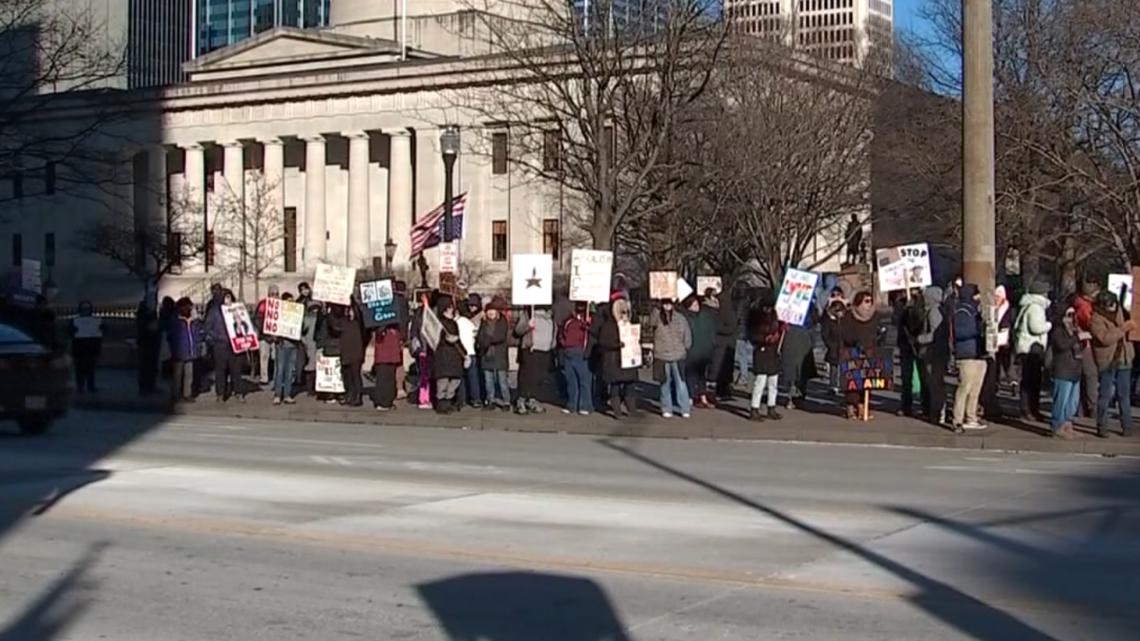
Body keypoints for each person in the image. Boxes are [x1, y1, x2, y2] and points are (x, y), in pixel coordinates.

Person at [1090, 291, 1135, 438]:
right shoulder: (1095, 318)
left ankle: (1127, 427)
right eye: (1110, 305)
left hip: (1124, 358)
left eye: (1114, 304)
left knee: (1124, 395)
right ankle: (1102, 427)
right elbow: (1105, 338)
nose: (1113, 307)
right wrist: (1123, 329)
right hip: (1108, 361)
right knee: (1105, 395)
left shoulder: (1120, 310)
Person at [951, 283, 988, 433]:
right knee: (964, 388)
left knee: (975, 389)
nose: (979, 297)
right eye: (977, 294)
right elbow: (960, 332)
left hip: (978, 352)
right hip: (967, 354)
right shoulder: (962, 310)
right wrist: (977, 329)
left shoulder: (975, 310)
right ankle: (957, 419)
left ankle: (971, 417)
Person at [1014, 282, 1052, 421]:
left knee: (1029, 381)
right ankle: (1028, 410)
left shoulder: (1029, 306)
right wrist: (1049, 325)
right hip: (1032, 349)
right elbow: (1036, 328)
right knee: (1032, 382)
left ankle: (1029, 409)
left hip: (1027, 348)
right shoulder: (1036, 308)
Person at [597, 295, 640, 418]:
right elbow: (604, 341)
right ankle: (617, 411)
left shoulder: (630, 323)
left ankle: (631, 409)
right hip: (614, 360)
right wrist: (617, 344)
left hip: (628, 359)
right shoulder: (609, 325)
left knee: (630, 385)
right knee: (615, 386)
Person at [838, 291, 879, 420]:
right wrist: (855, 342)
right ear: (859, 302)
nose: (869, 304)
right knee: (853, 380)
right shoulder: (850, 315)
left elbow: (877, 332)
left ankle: (862, 405)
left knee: (866, 380)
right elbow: (845, 334)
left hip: (869, 351)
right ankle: (851, 406)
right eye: (866, 301)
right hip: (852, 351)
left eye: (870, 301)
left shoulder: (875, 316)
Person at [652, 299, 693, 419]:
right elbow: (651, 322)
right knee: (668, 383)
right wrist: (656, 308)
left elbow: (687, 335)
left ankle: (681, 408)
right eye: (664, 304)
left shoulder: (680, 318)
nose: (667, 306)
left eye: (669, 303)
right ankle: (672, 408)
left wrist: (685, 347)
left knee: (678, 383)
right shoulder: (658, 317)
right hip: (664, 355)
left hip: (674, 354)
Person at [916, 286, 950, 426]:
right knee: (936, 383)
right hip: (937, 353)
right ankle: (937, 410)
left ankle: (938, 412)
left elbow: (936, 335)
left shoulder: (934, 312)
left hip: (934, 353)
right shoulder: (935, 310)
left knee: (935, 384)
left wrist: (920, 338)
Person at [748, 294, 785, 421]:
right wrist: (764, 339)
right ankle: (754, 408)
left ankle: (771, 407)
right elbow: (751, 335)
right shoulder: (755, 316)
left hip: (773, 351)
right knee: (760, 382)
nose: (768, 310)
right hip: (761, 351)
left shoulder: (776, 315)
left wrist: (781, 329)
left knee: (773, 382)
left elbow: (779, 330)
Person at [1048, 306, 1083, 439]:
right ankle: (1057, 426)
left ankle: (1067, 425)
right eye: (1068, 315)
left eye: (1073, 314)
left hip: (1075, 369)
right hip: (1063, 370)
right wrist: (1077, 337)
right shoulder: (1058, 331)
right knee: (1061, 401)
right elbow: (1062, 345)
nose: (1071, 318)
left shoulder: (1074, 330)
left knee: (1072, 401)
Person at [514, 306, 556, 414]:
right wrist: (528, 325)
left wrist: (552, 344)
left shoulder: (550, 315)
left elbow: (554, 330)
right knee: (527, 376)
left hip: (545, 350)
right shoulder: (528, 314)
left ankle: (533, 399)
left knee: (539, 377)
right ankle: (521, 400)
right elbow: (518, 330)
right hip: (530, 350)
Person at [207, 290, 244, 402]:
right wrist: (216, 338)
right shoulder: (214, 312)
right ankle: (220, 393)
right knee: (220, 370)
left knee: (236, 370)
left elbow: (244, 325)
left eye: (230, 298)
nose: (228, 300)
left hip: (235, 345)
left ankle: (238, 391)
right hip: (220, 345)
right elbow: (207, 328)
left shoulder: (237, 310)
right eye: (226, 298)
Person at [432, 295, 466, 414]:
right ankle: (441, 404)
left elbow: (458, 340)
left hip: (454, 356)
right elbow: (434, 340)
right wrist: (445, 339)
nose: (452, 310)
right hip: (443, 356)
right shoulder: (438, 324)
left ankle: (448, 400)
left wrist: (464, 353)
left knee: (455, 381)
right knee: (443, 382)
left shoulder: (454, 323)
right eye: (450, 307)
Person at [477, 297, 511, 411]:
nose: (491, 313)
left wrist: (487, 340)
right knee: (489, 380)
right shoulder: (484, 323)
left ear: (497, 312)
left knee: (502, 380)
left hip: (499, 355)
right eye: (488, 311)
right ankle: (490, 400)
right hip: (487, 355)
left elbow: (500, 337)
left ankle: (506, 401)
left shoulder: (502, 322)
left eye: (493, 310)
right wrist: (483, 342)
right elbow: (480, 338)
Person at [895, 290, 926, 417]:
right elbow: (896, 321)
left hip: (918, 345)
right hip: (905, 345)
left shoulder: (922, 303)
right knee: (906, 378)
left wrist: (912, 309)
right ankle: (906, 406)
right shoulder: (901, 304)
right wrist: (903, 309)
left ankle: (926, 406)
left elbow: (920, 322)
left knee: (924, 377)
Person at [559, 302, 593, 415]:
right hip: (568, 351)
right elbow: (561, 334)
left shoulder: (588, 321)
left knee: (584, 380)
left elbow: (592, 334)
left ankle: (585, 405)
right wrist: (564, 344)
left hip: (580, 352)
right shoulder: (568, 321)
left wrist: (588, 325)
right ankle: (571, 404)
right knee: (571, 380)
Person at [333, 299, 367, 407]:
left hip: (356, 350)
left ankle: (357, 396)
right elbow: (334, 326)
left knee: (355, 374)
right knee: (347, 375)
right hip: (346, 349)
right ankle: (350, 395)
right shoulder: (341, 320)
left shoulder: (359, 321)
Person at [683, 295, 716, 408]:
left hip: (704, 351)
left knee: (702, 376)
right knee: (690, 376)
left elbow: (711, 332)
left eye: (697, 304)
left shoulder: (705, 316)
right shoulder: (686, 318)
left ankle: (703, 397)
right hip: (691, 351)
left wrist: (711, 346)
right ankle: (690, 398)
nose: (696, 306)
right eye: (693, 304)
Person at [1073, 281, 1100, 417]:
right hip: (1086, 344)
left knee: (1085, 376)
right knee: (1090, 375)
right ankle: (1092, 406)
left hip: (1083, 343)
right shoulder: (1084, 307)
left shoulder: (1080, 304)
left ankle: (1081, 407)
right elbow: (1091, 324)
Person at [166, 297, 199, 404]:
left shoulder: (194, 320)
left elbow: (197, 335)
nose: (189, 309)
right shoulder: (175, 320)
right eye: (188, 307)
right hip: (178, 351)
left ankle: (187, 394)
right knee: (177, 375)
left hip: (190, 351)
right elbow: (171, 336)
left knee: (189, 375)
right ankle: (175, 394)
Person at [269, 293, 301, 405]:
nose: (291, 303)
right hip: (282, 345)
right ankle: (277, 395)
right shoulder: (279, 314)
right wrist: (276, 338)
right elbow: (273, 328)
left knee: (289, 371)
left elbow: (303, 328)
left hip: (293, 345)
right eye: (288, 301)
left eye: (292, 301)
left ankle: (287, 395)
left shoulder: (297, 314)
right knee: (280, 371)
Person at [708, 287, 738, 401]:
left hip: (724, 342)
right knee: (722, 368)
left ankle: (722, 390)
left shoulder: (724, 308)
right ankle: (721, 390)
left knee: (721, 368)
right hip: (725, 342)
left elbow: (729, 326)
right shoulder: (726, 307)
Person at [70, 300, 103, 394]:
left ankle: (90, 386)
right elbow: (69, 332)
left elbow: (102, 331)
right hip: (79, 348)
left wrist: (101, 328)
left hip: (91, 348)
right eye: (84, 309)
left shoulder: (96, 320)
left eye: (87, 309)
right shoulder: (75, 320)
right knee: (79, 369)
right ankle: (80, 386)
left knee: (91, 369)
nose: (86, 310)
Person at [457, 295, 483, 408]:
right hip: (471, 351)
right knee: (472, 376)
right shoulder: (469, 322)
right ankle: (474, 398)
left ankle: (464, 398)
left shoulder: (461, 321)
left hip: (464, 351)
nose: (472, 308)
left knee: (466, 377)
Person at [371, 323, 403, 411]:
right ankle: (382, 402)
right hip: (383, 355)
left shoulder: (395, 326)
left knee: (390, 378)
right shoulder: (380, 326)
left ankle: (387, 401)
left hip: (391, 354)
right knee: (383, 378)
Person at [254, 285, 280, 385]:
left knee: (276, 358)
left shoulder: (281, 305)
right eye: (272, 294)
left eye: (277, 294)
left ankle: (276, 376)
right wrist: (265, 333)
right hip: (264, 336)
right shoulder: (263, 304)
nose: (275, 296)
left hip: (276, 336)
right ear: (268, 295)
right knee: (264, 357)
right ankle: (264, 377)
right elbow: (258, 320)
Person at [821, 298, 847, 395]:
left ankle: (843, 384)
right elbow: (825, 335)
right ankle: (833, 386)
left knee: (844, 368)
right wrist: (830, 345)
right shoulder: (828, 321)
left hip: (844, 347)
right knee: (834, 368)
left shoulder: (844, 320)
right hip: (834, 348)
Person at [136, 297, 161, 395]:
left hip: (151, 342)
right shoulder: (145, 314)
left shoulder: (151, 313)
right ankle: (145, 387)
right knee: (145, 366)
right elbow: (144, 326)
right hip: (146, 342)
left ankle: (150, 386)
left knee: (151, 366)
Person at [994, 285, 1014, 391]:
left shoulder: (1007, 308)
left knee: (1006, 361)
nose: (997, 299)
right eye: (995, 296)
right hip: (996, 338)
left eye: (998, 296)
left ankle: (1012, 382)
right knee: (996, 362)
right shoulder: (994, 308)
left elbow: (1008, 322)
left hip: (1005, 338)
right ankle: (996, 382)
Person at [300, 302, 322, 396]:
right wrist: (304, 341)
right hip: (311, 344)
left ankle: (313, 388)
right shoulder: (308, 319)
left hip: (315, 344)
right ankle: (311, 388)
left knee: (314, 366)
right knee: (312, 366)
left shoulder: (317, 318)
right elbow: (301, 332)